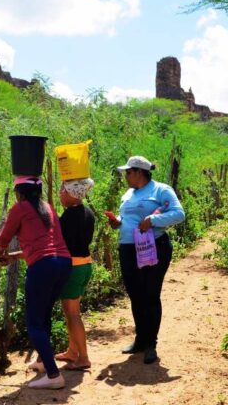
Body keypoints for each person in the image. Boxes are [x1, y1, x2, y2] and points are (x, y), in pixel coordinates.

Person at [106, 155, 185, 364]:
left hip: (153, 247)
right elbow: (128, 219)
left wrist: (153, 220)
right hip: (128, 249)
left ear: (139, 172)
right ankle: (140, 340)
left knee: (150, 294)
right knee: (135, 294)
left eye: (128, 172)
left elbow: (179, 214)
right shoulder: (128, 194)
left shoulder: (161, 190)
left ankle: (151, 344)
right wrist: (118, 222)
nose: (125, 176)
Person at [0, 175, 72, 390]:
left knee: (33, 323)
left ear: (19, 193)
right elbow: (44, 247)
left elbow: (4, 238)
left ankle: (53, 374)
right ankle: (41, 361)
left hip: (43, 268)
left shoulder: (20, 208)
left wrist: (2, 252)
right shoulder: (47, 207)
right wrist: (13, 256)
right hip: (63, 264)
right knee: (44, 314)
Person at [54, 178, 96, 370]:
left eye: (63, 190)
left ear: (72, 194)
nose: (60, 193)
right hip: (84, 264)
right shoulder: (88, 212)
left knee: (73, 314)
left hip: (73, 267)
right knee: (70, 311)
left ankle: (84, 357)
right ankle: (72, 351)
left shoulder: (69, 216)